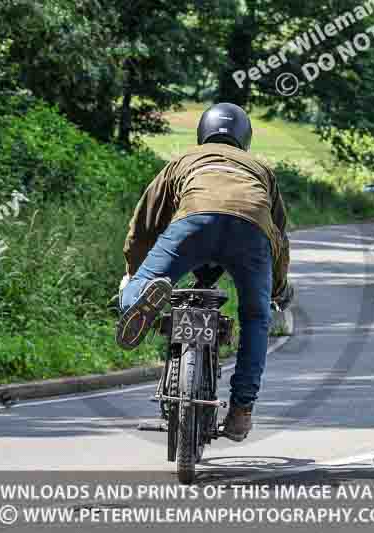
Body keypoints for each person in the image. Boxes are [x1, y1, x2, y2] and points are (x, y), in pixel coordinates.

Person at [114, 102, 294, 442]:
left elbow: (144, 225)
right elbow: (279, 240)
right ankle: (241, 411)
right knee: (256, 318)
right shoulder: (261, 169)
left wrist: (135, 272)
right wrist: (278, 290)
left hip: (193, 222)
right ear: (245, 138)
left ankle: (139, 301)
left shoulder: (183, 161)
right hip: (251, 231)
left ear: (202, 132)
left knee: (136, 288)